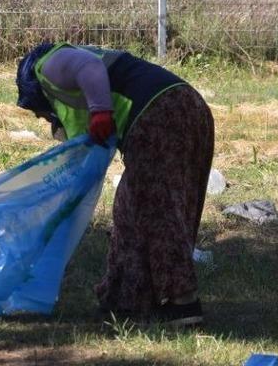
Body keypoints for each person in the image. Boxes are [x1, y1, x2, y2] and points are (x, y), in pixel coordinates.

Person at [15, 41, 214, 326]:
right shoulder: (70, 86)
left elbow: (89, 68)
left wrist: (99, 111)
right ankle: (127, 299)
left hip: (162, 113)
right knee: (130, 210)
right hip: (184, 107)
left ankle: (183, 303)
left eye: (36, 111)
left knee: (156, 209)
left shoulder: (47, 65)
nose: (41, 117)